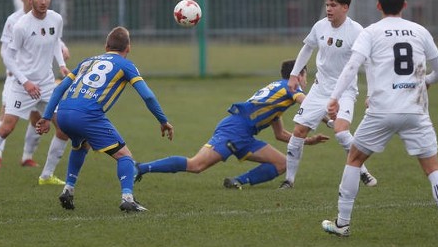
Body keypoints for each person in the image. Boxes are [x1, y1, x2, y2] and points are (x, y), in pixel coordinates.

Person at [321, 0, 438, 238]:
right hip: (415, 111)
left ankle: (342, 224)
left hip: (381, 111)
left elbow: (352, 67)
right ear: (404, 5)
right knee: (433, 168)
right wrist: (424, 82)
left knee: (354, 159)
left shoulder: (371, 32)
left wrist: (334, 98)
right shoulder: (420, 31)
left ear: (378, 6)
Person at [36, 26, 173, 212]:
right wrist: (163, 120)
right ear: (128, 48)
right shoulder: (126, 65)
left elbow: (59, 89)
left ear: (106, 46)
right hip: (88, 115)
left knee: (81, 145)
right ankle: (127, 198)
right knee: (125, 156)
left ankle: (68, 189)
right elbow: (148, 96)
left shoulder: (87, 61)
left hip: (64, 113)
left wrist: (46, 117)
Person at [134, 60, 329, 188]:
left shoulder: (277, 95)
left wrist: (309, 141)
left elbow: (280, 135)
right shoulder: (288, 87)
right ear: (299, 75)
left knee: (281, 163)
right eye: (305, 75)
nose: (305, 81)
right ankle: (141, 167)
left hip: (245, 135)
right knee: (196, 165)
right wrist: (330, 119)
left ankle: (237, 181)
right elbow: (308, 104)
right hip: (234, 130)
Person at [0, 0, 70, 188]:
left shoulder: (56, 19)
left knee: (64, 128)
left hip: (48, 85)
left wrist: (63, 66)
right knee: (6, 128)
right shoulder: (21, 25)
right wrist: (26, 81)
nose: (43, 2)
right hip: (22, 86)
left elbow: (56, 42)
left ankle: (47, 175)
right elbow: (9, 58)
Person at [280, 0, 376, 189]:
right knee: (298, 131)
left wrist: (371, 93)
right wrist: (294, 74)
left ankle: (363, 172)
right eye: (327, 5)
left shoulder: (357, 31)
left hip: (345, 91)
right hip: (319, 89)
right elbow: (307, 48)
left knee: (341, 132)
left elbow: (368, 63)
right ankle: (288, 180)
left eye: (333, 5)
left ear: (345, 7)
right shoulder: (320, 26)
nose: (329, 9)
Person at [0, 0, 70, 169]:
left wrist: (63, 52)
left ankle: (27, 156)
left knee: (37, 118)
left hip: (41, 78)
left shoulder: (48, 18)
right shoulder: (14, 21)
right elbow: (6, 51)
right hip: (17, 78)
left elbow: (53, 38)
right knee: (6, 116)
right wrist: (15, 70)